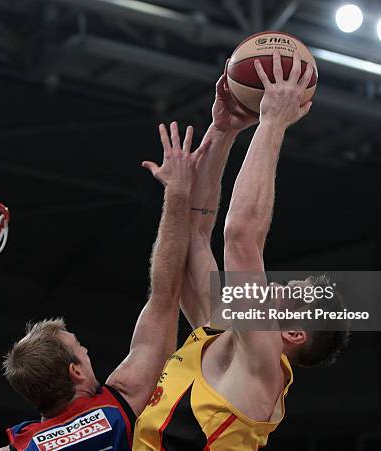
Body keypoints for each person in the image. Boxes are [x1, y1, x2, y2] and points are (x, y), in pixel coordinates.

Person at [133, 50, 350, 450]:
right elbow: (196, 233)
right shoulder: (220, 332)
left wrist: (273, 122)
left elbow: (241, 236)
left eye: (289, 293)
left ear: (293, 332)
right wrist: (225, 130)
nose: (273, 287)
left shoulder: (261, 365)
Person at [0, 123, 206, 451]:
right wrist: (177, 191)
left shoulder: (22, 447)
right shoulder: (114, 411)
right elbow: (165, 294)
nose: (87, 351)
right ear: (75, 372)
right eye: (80, 348)